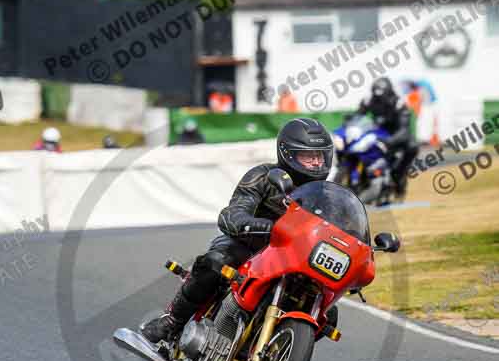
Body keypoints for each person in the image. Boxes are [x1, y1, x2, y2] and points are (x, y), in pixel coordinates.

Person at [142, 117, 336, 344]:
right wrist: (265, 226)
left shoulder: (327, 196)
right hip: (247, 247)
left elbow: (342, 232)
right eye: (308, 156)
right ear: (288, 154)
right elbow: (233, 214)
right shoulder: (263, 177)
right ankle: (172, 320)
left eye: (319, 156)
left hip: (290, 261)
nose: (315, 162)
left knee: (328, 312)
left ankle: (275, 351)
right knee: (215, 262)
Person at [357, 78, 418, 195]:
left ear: (388, 93)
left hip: (398, 137)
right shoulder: (369, 100)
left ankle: (399, 183)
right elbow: (358, 116)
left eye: (382, 97)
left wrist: (389, 141)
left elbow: (404, 130)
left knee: (410, 150)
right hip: (379, 135)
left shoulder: (399, 103)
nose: (380, 100)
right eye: (377, 97)